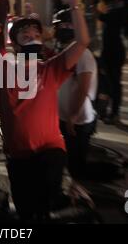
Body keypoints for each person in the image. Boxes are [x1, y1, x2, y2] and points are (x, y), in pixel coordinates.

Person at [0, 0, 90, 221]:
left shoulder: (50, 69)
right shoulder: (3, 69)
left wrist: (75, 5)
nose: (32, 35)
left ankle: (65, 195)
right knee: (25, 211)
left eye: (36, 32)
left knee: (45, 202)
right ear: (17, 42)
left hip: (49, 151)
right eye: (25, 32)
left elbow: (83, 42)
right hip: (18, 156)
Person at [53, 10, 98, 179]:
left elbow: (83, 87)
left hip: (78, 119)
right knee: (67, 159)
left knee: (76, 163)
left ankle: (81, 189)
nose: (61, 29)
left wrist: (72, 116)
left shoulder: (83, 54)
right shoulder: (65, 52)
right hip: (65, 118)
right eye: (60, 25)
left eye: (66, 25)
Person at [92, 0, 128, 124]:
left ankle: (115, 113)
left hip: (115, 52)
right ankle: (105, 109)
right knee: (104, 81)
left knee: (114, 83)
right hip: (107, 50)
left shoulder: (121, 10)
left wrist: (93, 7)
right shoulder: (114, 4)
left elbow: (104, 17)